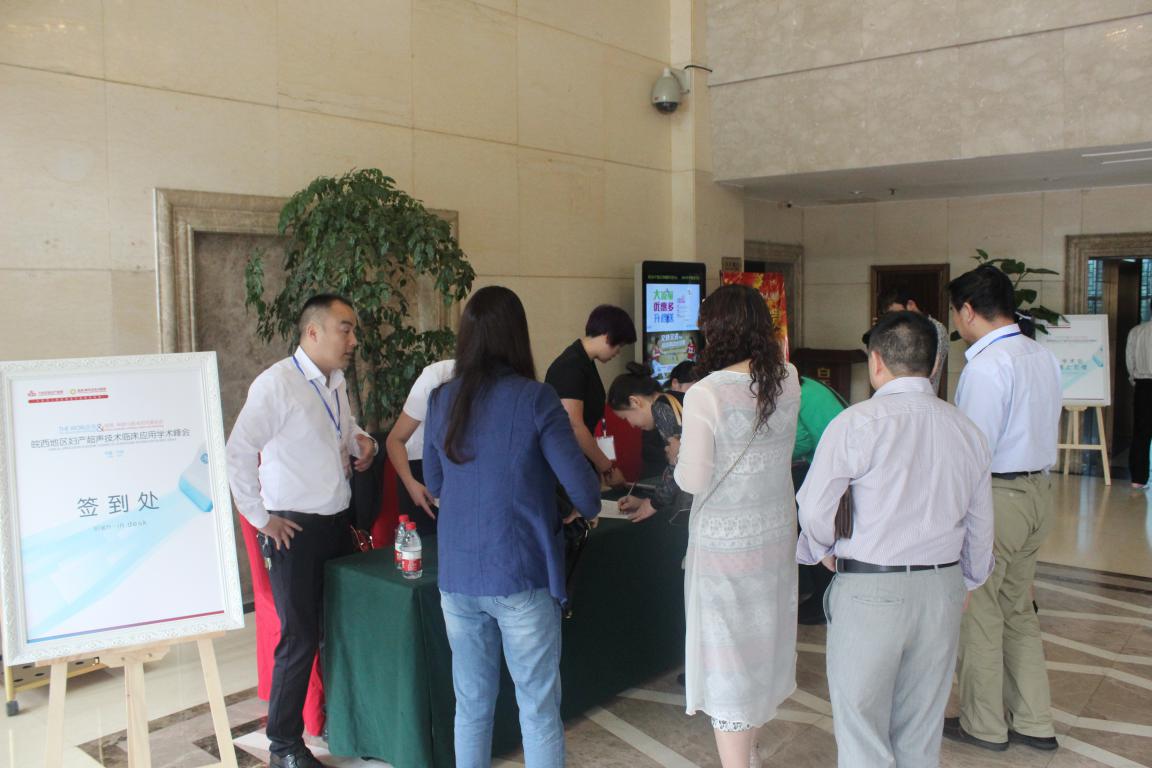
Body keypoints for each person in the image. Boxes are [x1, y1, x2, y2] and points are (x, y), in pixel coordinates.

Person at [796, 311, 995, 768]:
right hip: (941, 588)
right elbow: (981, 521)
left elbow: (814, 508)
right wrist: (968, 580)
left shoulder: (856, 423)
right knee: (921, 728)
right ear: (934, 363)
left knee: (862, 730)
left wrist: (823, 549)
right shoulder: (966, 429)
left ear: (876, 361)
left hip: (870, 588)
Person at [423, 286, 600, 768]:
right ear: (517, 336)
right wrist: (557, 504)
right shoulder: (535, 398)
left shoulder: (441, 399)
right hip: (521, 574)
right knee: (537, 709)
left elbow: (435, 484)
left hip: (457, 577)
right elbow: (586, 494)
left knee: (471, 706)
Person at [226, 294, 378, 768]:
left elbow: (343, 430)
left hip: (336, 524)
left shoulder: (335, 381)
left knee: (338, 631)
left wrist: (362, 441)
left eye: (353, 331)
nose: (353, 340)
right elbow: (237, 452)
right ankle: (284, 745)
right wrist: (261, 519)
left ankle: (341, 721)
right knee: (299, 640)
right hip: (293, 531)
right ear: (313, 332)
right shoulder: (276, 384)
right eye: (345, 329)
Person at [673, 284, 801, 768]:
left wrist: (677, 454)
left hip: (725, 547)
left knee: (727, 658)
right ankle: (751, 753)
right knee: (762, 645)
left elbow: (692, 479)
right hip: (775, 534)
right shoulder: (788, 377)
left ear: (714, 332)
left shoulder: (706, 393)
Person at [946, 264, 1063, 753]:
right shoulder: (1041, 355)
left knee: (981, 612)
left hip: (999, 498)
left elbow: (974, 452)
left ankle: (983, 724)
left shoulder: (988, 366)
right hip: (1038, 493)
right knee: (1018, 610)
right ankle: (1034, 721)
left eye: (956, 314)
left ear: (969, 310)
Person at [545, 305, 637, 488]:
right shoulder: (571, 366)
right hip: (564, 468)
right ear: (607, 336)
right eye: (619, 345)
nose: (618, 352)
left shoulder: (585, 361)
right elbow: (574, 425)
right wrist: (606, 467)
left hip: (576, 462)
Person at [791, 376, 847, 625]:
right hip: (838, 464)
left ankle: (823, 599)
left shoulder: (792, 393)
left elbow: (803, 440)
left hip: (830, 468)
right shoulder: (807, 385)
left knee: (811, 525)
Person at [608, 362, 690, 524]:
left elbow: (678, 465)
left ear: (635, 401)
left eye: (626, 417)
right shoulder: (673, 398)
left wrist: (653, 503)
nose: (631, 424)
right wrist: (644, 501)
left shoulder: (660, 408)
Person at [384, 358, 454, 535]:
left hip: (459, 471)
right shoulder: (437, 375)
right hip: (418, 470)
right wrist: (410, 484)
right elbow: (395, 440)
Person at [877, 285, 950, 393]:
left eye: (897, 314)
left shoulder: (936, 329)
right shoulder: (902, 328)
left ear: (911, 305)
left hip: (922, 395)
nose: (895, 320)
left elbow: (932, 369)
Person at [1125, 303, 1152, 489]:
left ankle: (1138, 479)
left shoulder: (1137, 331)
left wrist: (1135, 380)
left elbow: (1130, 360)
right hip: (1143, 383)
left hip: (1143, 385)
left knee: (1141, 432)